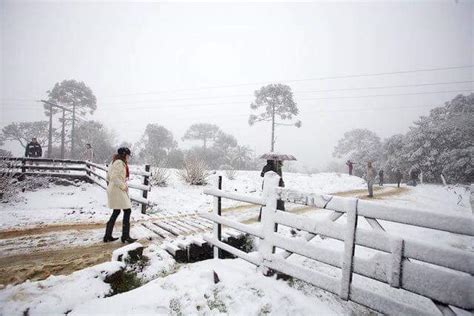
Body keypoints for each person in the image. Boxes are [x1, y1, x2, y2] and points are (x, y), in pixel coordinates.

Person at [104, 147, 137, 243]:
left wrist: (110, 186)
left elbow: (108, 177)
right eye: (127, 155)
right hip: (117, 189)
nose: (128, 158)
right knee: (127, 210)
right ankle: (125, 236)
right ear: (124, 154)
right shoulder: (119, 163)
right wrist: (123, 186)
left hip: (114, 189)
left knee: (117, 211)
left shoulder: (114, 161)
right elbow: (114, 177)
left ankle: (108, 235)